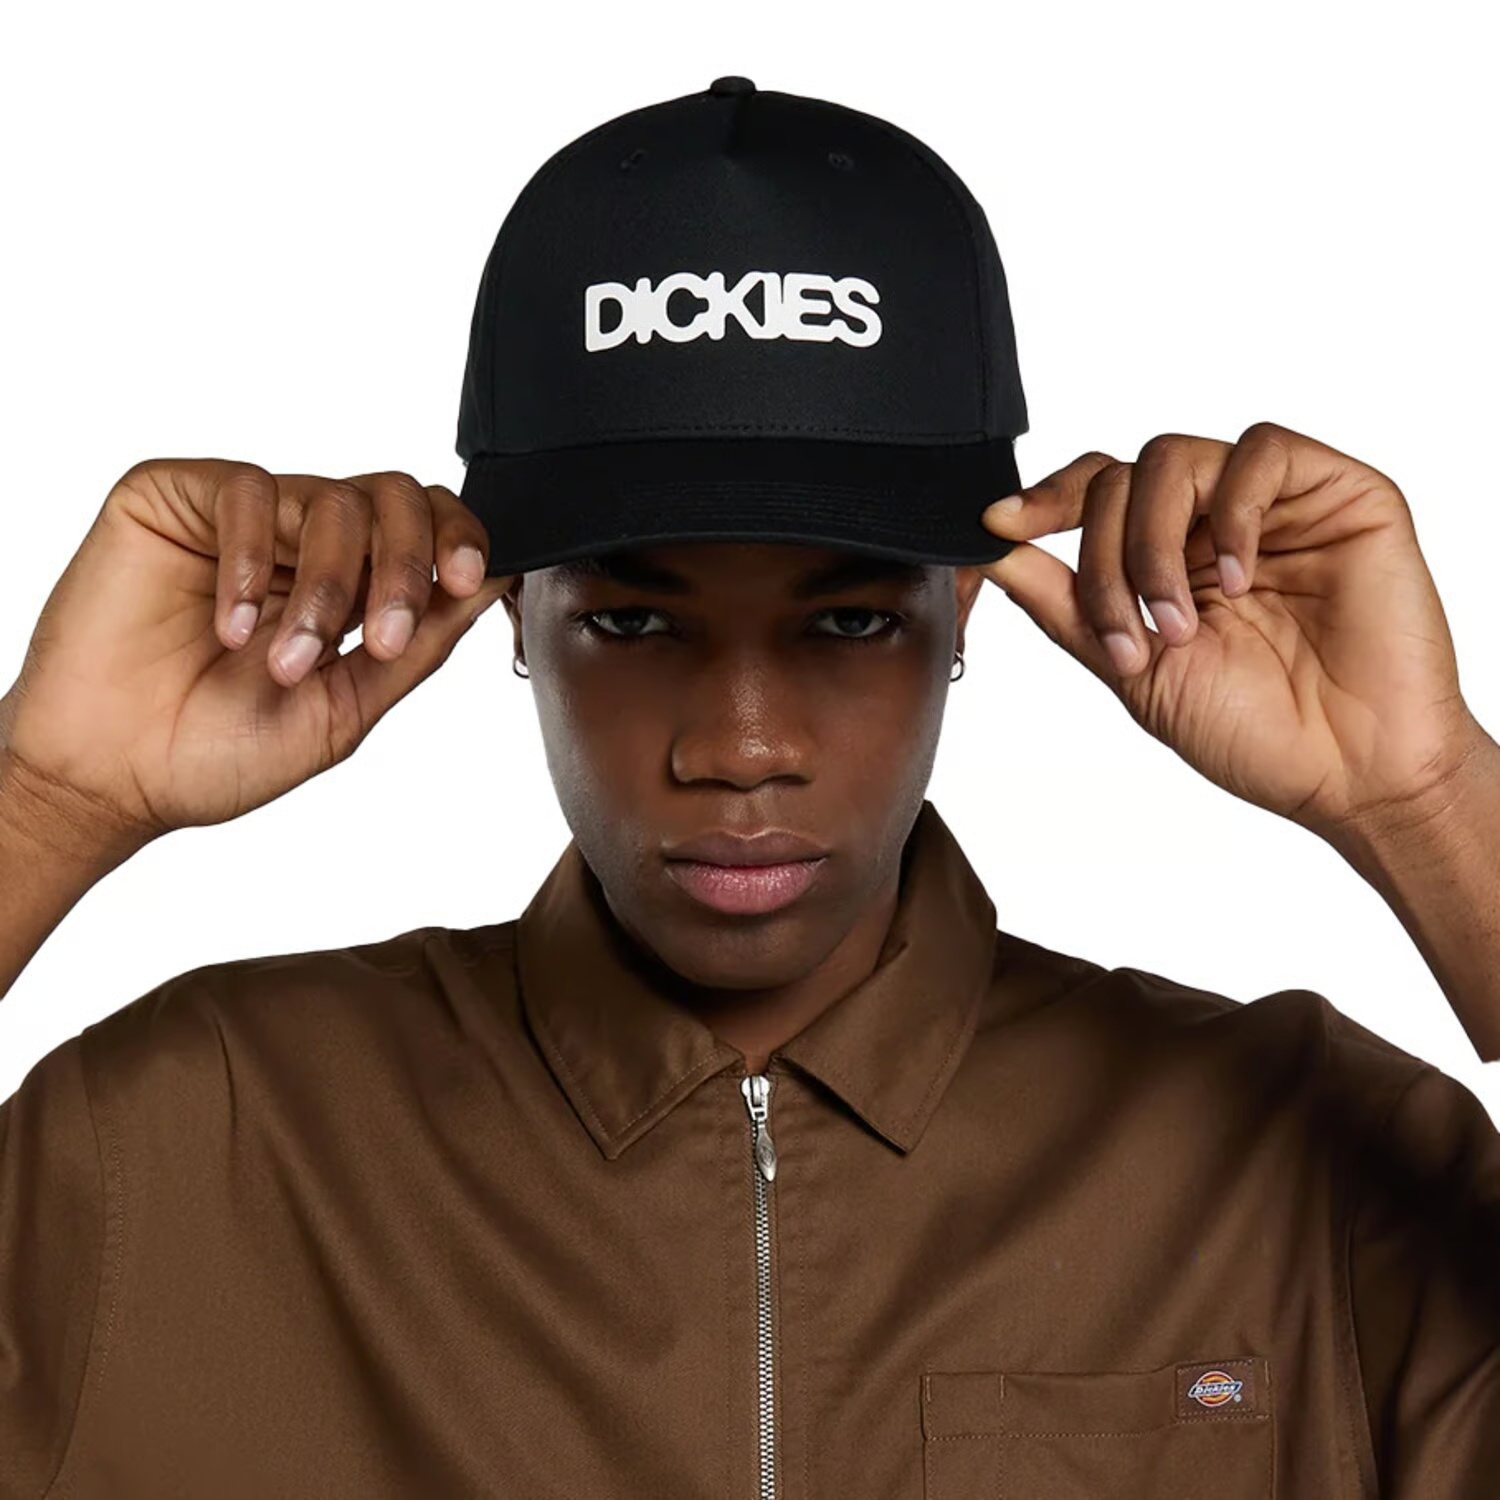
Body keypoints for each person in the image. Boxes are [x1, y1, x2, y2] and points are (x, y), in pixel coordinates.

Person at [2, 76, 1498, 1500]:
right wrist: (42, 799)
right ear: (506, 611)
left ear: (966, 609)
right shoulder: (176, 1145)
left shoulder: (1312, 1166)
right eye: (630, 622)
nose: (740, 743)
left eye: (846, 623)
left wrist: (1428, 798)